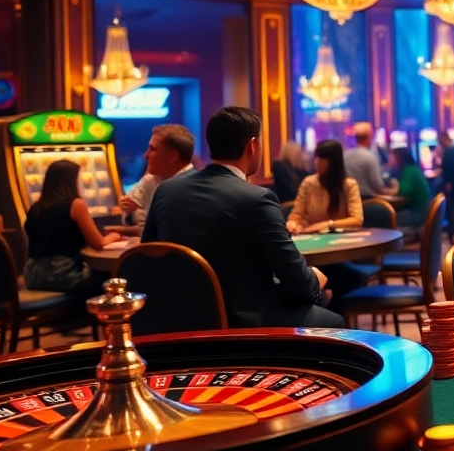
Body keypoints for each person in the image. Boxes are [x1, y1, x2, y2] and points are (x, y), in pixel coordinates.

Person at [142, 106, 342, 328]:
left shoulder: (167, 190)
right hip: (240, 324)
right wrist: (316, 279)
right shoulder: (257, 198)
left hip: (177, 320)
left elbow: (147, 257)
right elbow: (298, 283)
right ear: (253, 145)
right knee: (333, 319)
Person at [23, 160, 124, 295]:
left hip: (32, 275)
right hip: (63, 274)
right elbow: (98, 243)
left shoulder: (36, 207)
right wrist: (114, 236)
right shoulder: (76, 205)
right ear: (71, 181)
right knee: (116, 277)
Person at [287, 139, 366, 304]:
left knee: (350, 278)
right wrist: (293, 224)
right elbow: (296, 215)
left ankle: (333, 318)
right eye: (316, 158)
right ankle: (330, 317)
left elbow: (357, 220)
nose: (316, 162)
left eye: (321, 158)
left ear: (333, 161)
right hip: (312, 252)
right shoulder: (309, 183)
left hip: (339, 251)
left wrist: (326, 224)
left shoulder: (348, 185)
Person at [118, 124, 196, 229]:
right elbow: (127, 217)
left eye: (153, 149)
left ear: (173, 155)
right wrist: (132, 215)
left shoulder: (194, 186)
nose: (145, 155)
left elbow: (165, 227)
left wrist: (145, 218)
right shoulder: (151, 180)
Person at [345, 123, 394, 199]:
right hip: (366, 201)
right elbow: (378, 187)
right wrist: (393, 190)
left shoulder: (345, 155)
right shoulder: (370, 157)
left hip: (347, 200)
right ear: (369, 137)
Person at [389, 146, 433, 228]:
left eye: (392, 157)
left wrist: (395, 186)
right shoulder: (413, 169)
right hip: (422, 211)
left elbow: (404, 192)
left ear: (399, 158)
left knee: (385, 217)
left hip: (417, 214)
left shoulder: (409, 171)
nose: (390, 159)